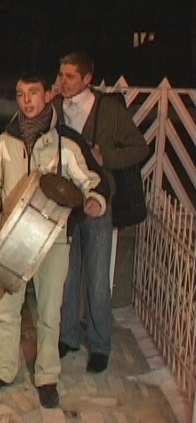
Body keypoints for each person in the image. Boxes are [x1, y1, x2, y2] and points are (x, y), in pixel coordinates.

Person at [0, 72, 109, 408]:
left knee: (50, 312)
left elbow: (91, 180)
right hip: (12, 239)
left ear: (48, 95)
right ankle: (4, 370)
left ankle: (47, 375)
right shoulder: (5, 143)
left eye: (33, 93)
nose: (27, 100)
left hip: (52, 239)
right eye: (20, 94)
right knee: (7, 310)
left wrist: (95, 200)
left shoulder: (65, 143)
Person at [53, 52, 149, 373]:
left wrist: (105, 157)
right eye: (61, 75)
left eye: (69, 76)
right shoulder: (54, 108)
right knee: (68, 275)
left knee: (96, 277)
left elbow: (139, 147)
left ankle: (99, 343)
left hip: (98, 203)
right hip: (64, 203)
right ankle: (68, 336)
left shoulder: (108, 110)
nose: (63, 81)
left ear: (87, 79)